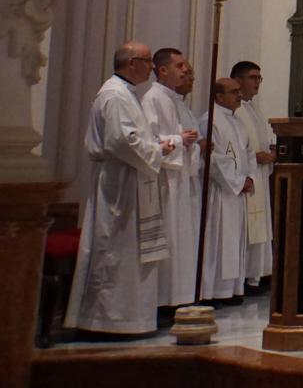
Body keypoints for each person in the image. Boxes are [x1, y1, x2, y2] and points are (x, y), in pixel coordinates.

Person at [65, 41, 175, 337]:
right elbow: (121, 141)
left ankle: (132, 317)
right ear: (132, 63)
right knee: (116, 249)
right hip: (119, 186)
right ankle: (107, 320)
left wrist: (154, 147)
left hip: (131, 180)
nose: (152, 67)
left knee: (131, 251)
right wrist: (158, 149)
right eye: (148, 61)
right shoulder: (115, 95)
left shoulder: (126, 93)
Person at [141, 47, 202, 316]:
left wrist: (189, 142)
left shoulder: (177, 101)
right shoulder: (153, 98)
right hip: (166, 182)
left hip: (181, 179)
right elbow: (149, 142)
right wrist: (180, 140)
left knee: (182, 240)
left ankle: (179, 297)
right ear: (162, 70)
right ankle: (164, 299)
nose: (186, 70)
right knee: (170, 239)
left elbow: (190, 139)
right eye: (180, 65)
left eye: (186, 65)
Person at [201, 77, 255, 304]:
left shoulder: (237, 122)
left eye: (239, 91)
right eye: (234, 92)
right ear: (219, 97)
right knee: (218, 240)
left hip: (237, 190)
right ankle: (213, 291)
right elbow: (212, 158)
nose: (239, 95)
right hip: (220, 192)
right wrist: (237, 181)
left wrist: (249, 178)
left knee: (235, 241)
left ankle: (232, 289)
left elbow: (248, 153)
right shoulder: (209, 120)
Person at [231, 60, 275, 291]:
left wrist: (270, 151)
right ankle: (246, 277)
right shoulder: (233, 108)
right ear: (238, 80)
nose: (257, 82)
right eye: (253, 77)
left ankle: (255, 275)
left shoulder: (253, 108)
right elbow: (235, 145)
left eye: (259, 78)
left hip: (259, 176)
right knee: (246, 229)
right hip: (245, 177)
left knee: (258, 225)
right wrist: (256, 157)